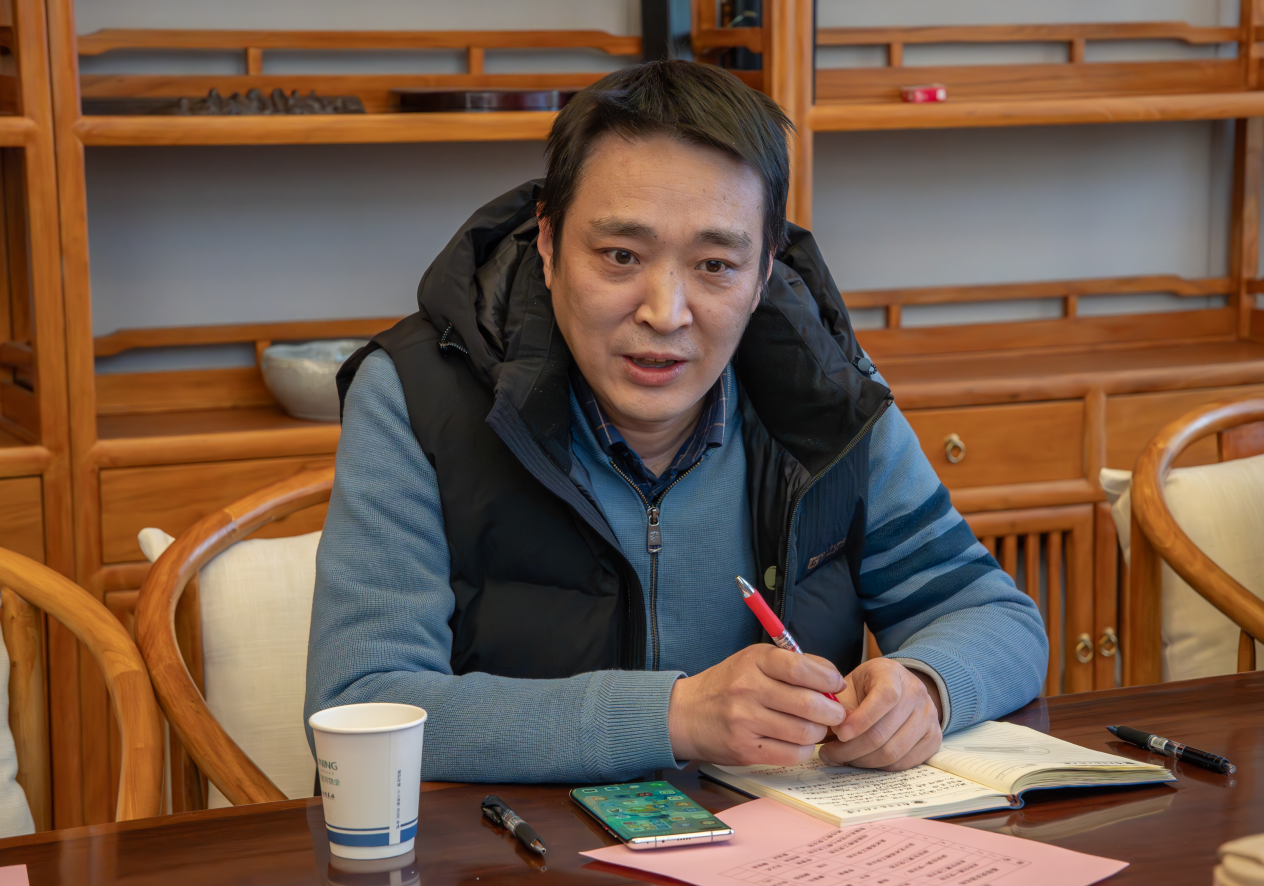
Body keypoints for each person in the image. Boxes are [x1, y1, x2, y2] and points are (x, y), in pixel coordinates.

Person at [305, 60, 1047, 782]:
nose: (665, 313)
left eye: (715, 266)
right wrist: (674, 716)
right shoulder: (416, 396)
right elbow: (360, 704)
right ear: (549, 242)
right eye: (621, 255)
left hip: (783, 844)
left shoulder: (827, 398)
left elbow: (996, 617)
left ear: (765, 271)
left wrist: (925, 687)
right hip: (511, 847)